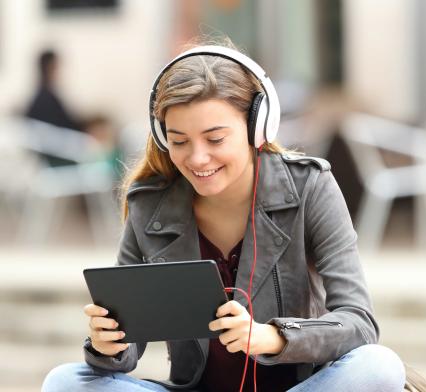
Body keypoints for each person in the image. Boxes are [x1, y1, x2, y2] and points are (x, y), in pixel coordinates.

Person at [42, 39, 407, 392]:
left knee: (379, 366)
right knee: (64, 382)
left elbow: (359, 323)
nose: (197, 158)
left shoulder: (310, 186)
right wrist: (108, 345)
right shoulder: (148, 204)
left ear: (257, 128)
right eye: (179, 141)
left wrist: (274, 336)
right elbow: (127, 351)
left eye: (215, 140)